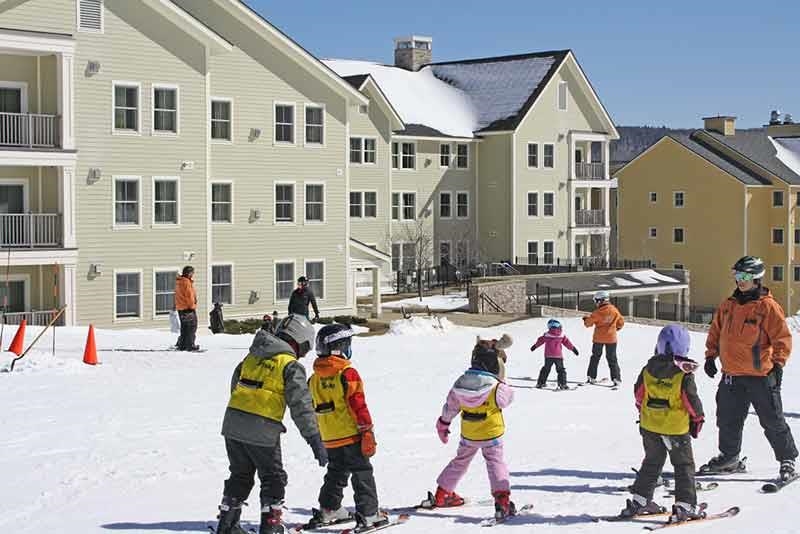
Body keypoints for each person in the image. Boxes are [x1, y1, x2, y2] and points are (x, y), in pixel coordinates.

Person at [214, 314, 328, 534]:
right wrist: (314, 439)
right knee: (273, 477)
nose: (302, 355)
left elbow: (235, 385)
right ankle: (271, 526)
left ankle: (227, 524)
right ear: (298, 341)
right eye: (304, 349)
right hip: (263, 430)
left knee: (240, 474)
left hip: (233, 425)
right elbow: (301, 406)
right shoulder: (290, 366)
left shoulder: (252, 356)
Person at [700, 256, 797, 481]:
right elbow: (716, 331)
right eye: (736, 276)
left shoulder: (767, 307)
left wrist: (779, 364)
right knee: (727, 419)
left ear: (756, 278)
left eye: (744, 276)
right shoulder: (728, 305)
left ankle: (787, 459)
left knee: (772, 420)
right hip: (731, 375)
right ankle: (729, 457)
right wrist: (710, 356)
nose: (739, 281)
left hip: (760, 375)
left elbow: (782, 337)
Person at [621, 325, 705, 523]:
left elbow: (639, 395)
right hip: (675, 429)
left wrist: (645, 412)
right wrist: (697, 419)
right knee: (683, 464)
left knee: (651, 462)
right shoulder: (683, 374)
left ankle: (640, 500)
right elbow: (690, 400)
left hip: (649, 427)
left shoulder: (648, 369)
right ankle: (685, 506)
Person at [306, 324, 387, 530]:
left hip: (329, 437)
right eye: (347, 344)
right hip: (351, 434)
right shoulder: (347, 373)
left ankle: (329, 508)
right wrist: (367, 430)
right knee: (362, 472)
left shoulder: (314, 378)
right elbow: (357, 404)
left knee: (336, 471)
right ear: (338, 348)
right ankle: (369, 513)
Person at [423, 345, 516, 521]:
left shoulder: (460, 383)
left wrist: (443, 423)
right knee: (495, 462)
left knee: (460, 461)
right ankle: (502, 500)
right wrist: (502, 381)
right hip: (492, 434)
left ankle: (442, 493)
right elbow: (507, 399)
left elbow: (450, 407)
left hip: (469, 434)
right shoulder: (496, 387)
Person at [583, 290, 624, 385]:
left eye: (596, 301)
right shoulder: (614, 310)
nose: (596, 303)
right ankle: (616, 378)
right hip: (611, 339)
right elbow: (621, 322)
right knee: (612, 359)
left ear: (601, 300)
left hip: (598, 339)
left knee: (595, 357)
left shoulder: (597, 312)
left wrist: (586, 319)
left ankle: (591, 376)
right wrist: (615, 328)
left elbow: (588, 324)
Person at [530, 319, 579, 389]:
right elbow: (567, 343)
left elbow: (540, 341)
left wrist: (534, 346)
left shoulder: (546, 335)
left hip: (548, 356)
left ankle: (540, 383)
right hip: (558, 356)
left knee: (546, 369)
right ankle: (562, 384)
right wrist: (574, 349)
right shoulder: (562, 335)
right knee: (561, 370)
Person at [175, 266, 199, 351]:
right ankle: (190, 345)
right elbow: (189, 296)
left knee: (184, 327)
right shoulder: (186, 282)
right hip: (187, 308)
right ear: (189, 273)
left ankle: (182, 345)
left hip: (180, 308)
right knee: (191, 327)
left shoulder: (180, 281)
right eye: (192, 273)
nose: (193, 274)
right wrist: (192, 307)